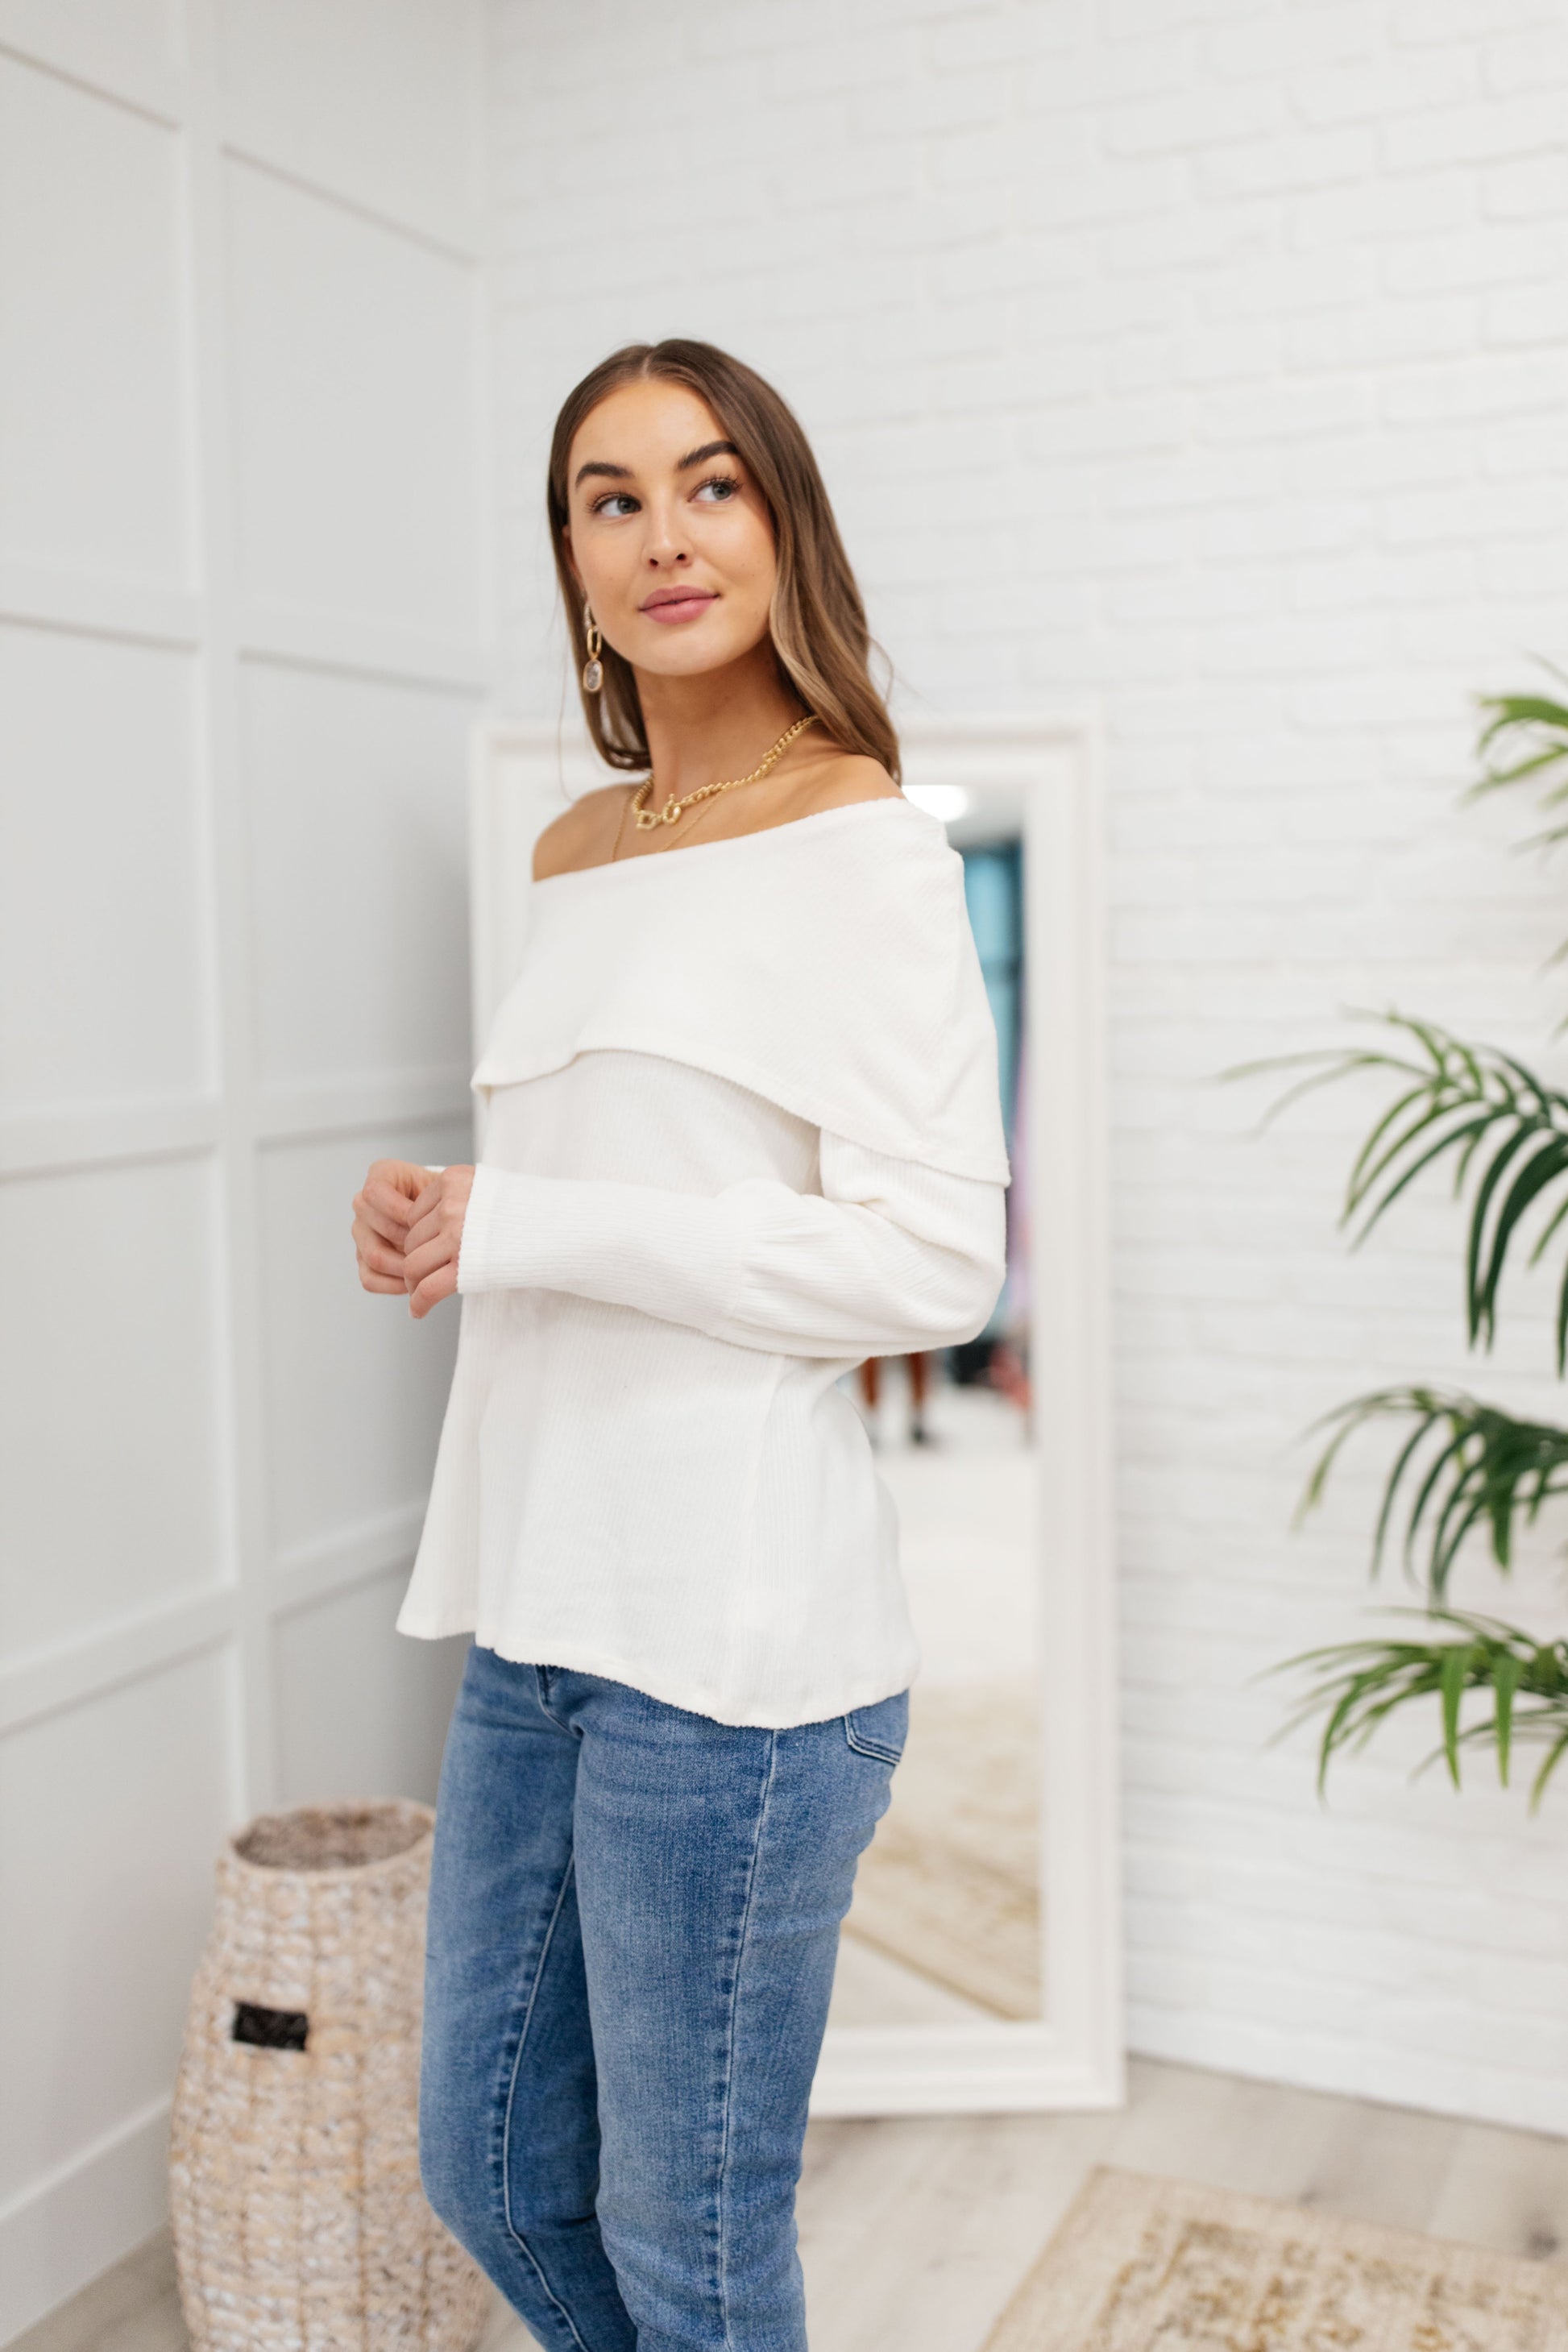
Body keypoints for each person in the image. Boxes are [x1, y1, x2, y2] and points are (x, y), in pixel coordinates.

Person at [350, 339, 1010, 2352]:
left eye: (710, 484)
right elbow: (633, 1177)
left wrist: (534, 1221)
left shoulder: (861, 841)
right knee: (487, 2166)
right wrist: (447, 1210)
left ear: (782, 519)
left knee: (691, 2244)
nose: (663, 535)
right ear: (569, 555)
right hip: (537, 1616)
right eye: (609, 497)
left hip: (734, 1659)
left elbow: (933, 1264)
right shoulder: (575, 851)